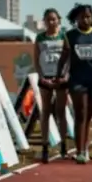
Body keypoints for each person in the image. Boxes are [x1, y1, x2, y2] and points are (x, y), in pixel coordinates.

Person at [57, 4, 92, 164]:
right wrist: (59, 74)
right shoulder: (70, 35)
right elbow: (64, 57)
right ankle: (81, 151)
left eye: (88, 17)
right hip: (78, 79)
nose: (86, 20)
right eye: (82, 17)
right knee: (81, 114)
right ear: (76, 18)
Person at [34, 8, 68, 163]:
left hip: (60, 78)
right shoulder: (40, 37)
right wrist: (42, 77)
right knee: (46, 112)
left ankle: (63, 145)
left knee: (61, 112)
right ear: (45, 21)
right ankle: (45, 146)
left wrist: (65, 76)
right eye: (48, 19)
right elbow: (36, 60)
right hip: (46, 79)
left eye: (54, 19)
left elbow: (69, 59)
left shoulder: (64, 36)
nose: (51, 22)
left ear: (59, 20)